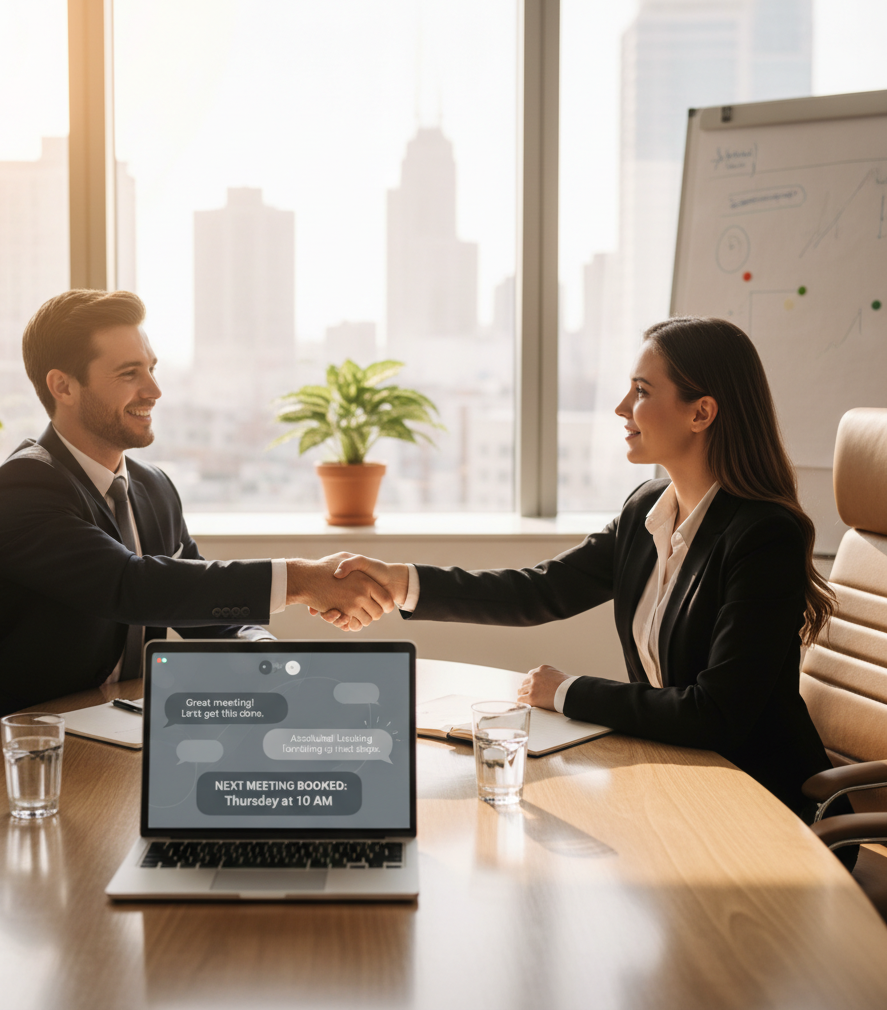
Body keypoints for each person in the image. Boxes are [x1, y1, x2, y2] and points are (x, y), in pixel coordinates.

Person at [324, 316, 841, 823]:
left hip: (763, 806)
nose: (622, 408)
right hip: (679, 784)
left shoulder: (764, 536)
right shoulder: (646, 510)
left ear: (700, 413)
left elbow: (715, 715)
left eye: (641, 391)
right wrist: (401, 583)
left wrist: (568, 691)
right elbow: (538, 592)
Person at [0, 290, 392, 739]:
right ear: (63, 386)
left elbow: (209, 613)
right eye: (129, 373)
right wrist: (300, 579)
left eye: (151, 369)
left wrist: (270, 660)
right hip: (16, 745)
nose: (154, 391)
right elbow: (131, 586)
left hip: (114, 734)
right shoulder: (23, 489)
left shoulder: (152, 487)